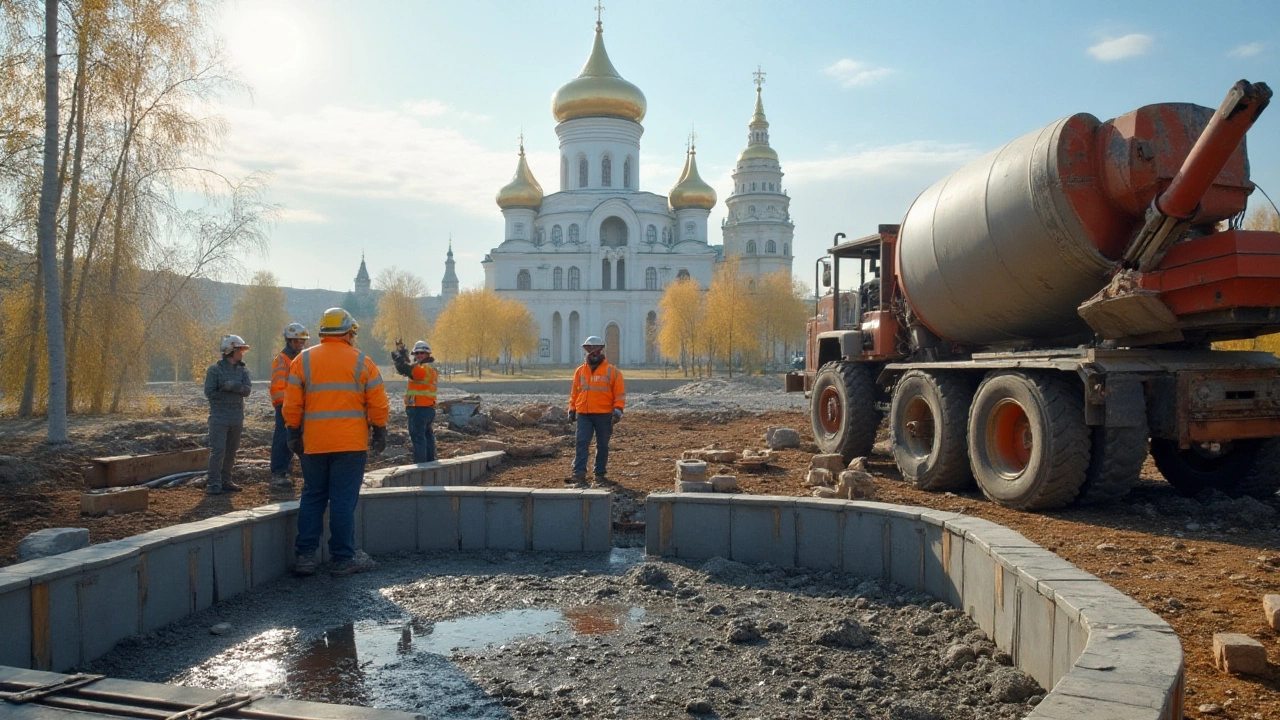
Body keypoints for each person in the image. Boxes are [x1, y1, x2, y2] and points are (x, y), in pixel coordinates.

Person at [283, 307, 390, 577]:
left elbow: (292, 404)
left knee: (313, 496)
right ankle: (342, 558)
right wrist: (380, 430)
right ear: (348, 333)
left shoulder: (302, 361)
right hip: (350, 445)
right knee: (342, 500)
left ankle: (305, 556)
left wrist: (293, 432)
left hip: (314, 443)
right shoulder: (362, 362)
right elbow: (378, 403)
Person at [568, 335, 625, 484]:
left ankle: (599, 474)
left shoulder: (613, 372)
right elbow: (575, 392)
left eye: (595, 350)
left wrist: (618, 410)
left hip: (604, 415)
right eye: (589, 349)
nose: (592, 353)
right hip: (584, 415)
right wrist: (572, 409)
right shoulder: (580, 371)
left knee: (602, 445)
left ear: (601, 351)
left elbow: (619, 394)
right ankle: (579, 473)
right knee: (581, 443)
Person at [203, 335, 252, 495]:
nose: (242, 353)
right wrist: (227, 391)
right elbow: (210, 392)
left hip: (236, 417)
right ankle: (213, 483)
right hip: (219, 417)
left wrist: (234, 387)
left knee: (232, 450)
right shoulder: (214, 370)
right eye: (240, 350)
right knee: (218, 450)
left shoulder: (243, 370)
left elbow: (247, 390)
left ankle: (226, 480)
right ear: (231, 351)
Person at [269, 322, 310, 490]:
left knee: (303, 440)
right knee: (283, 440)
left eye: (301, 342)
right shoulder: (282, 360)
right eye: (295, 341)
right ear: (288, 340)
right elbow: (279, 387)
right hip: (285, 406)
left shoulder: (303, 358)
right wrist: (283, 405)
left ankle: (296, 473)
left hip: (302, 406)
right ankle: (279, 473)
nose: (298, 344)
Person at [391, 338, 438, 463]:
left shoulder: (423, 369)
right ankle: (430, 463)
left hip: (418, 409)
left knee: (418, 438)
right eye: (416, 353)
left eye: (422, 353)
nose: (419, 355)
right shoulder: (429, 369)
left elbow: (406, 370)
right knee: (427, 436)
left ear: (428, 354)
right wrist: (402, 353)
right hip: (427, 409)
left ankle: (421, 465)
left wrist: (399, 361)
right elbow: (410, 367)